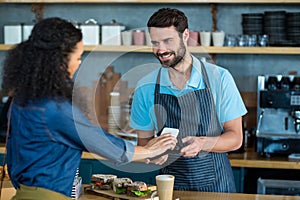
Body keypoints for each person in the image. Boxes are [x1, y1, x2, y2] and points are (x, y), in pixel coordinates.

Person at [1, 17, 177, 199]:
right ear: (58, 60)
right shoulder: (54, 108)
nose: (78, 64)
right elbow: (99, 142)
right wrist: (149, 151)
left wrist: (144, 154)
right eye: (77, 57)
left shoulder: (22, 99)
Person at [130, 8, 247, 192]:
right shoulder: (145, 87)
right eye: (155, 42)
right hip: (170, 187)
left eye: (167, 41)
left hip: (217, 187)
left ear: (186, 35)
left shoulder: (219, 78)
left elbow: (235, 138)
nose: (160, 50)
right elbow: (143, 145)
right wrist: (152, 155)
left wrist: (202, 144)